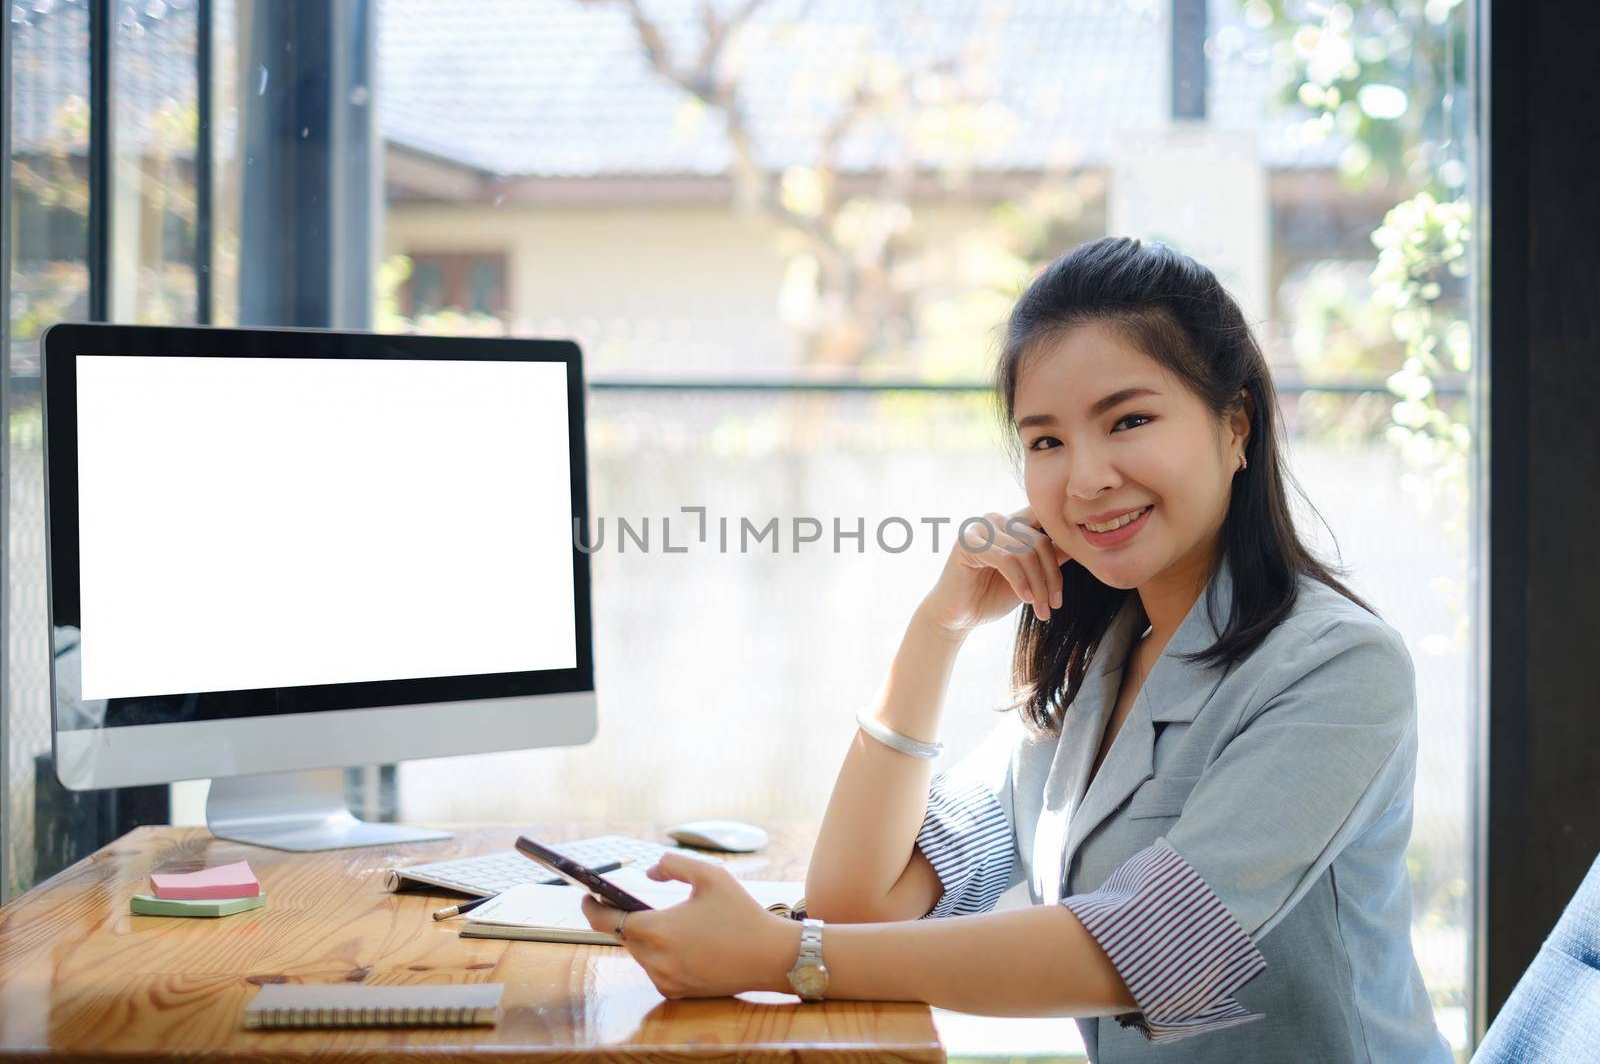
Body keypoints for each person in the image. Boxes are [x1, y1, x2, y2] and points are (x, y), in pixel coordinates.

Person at [581, 236, 1453, 1061]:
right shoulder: (1101, 665)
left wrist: (782, 956)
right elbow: (864, 902)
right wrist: (939, 626)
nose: (1085, 477)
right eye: (1046, 439)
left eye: (1129, 420)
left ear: (1237, 426)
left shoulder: (1340, 667)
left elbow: (1141, 950)